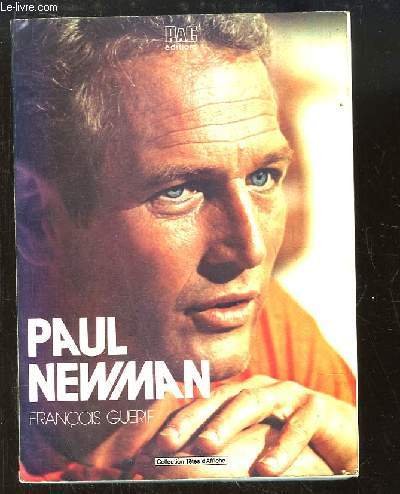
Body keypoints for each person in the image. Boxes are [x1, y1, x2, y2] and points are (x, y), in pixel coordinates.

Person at [14, 14, 357, 481]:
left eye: (262, 177)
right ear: (35, 218)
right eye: (178, 191)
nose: (250, 249)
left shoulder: (259, 326)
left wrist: (358, 457)